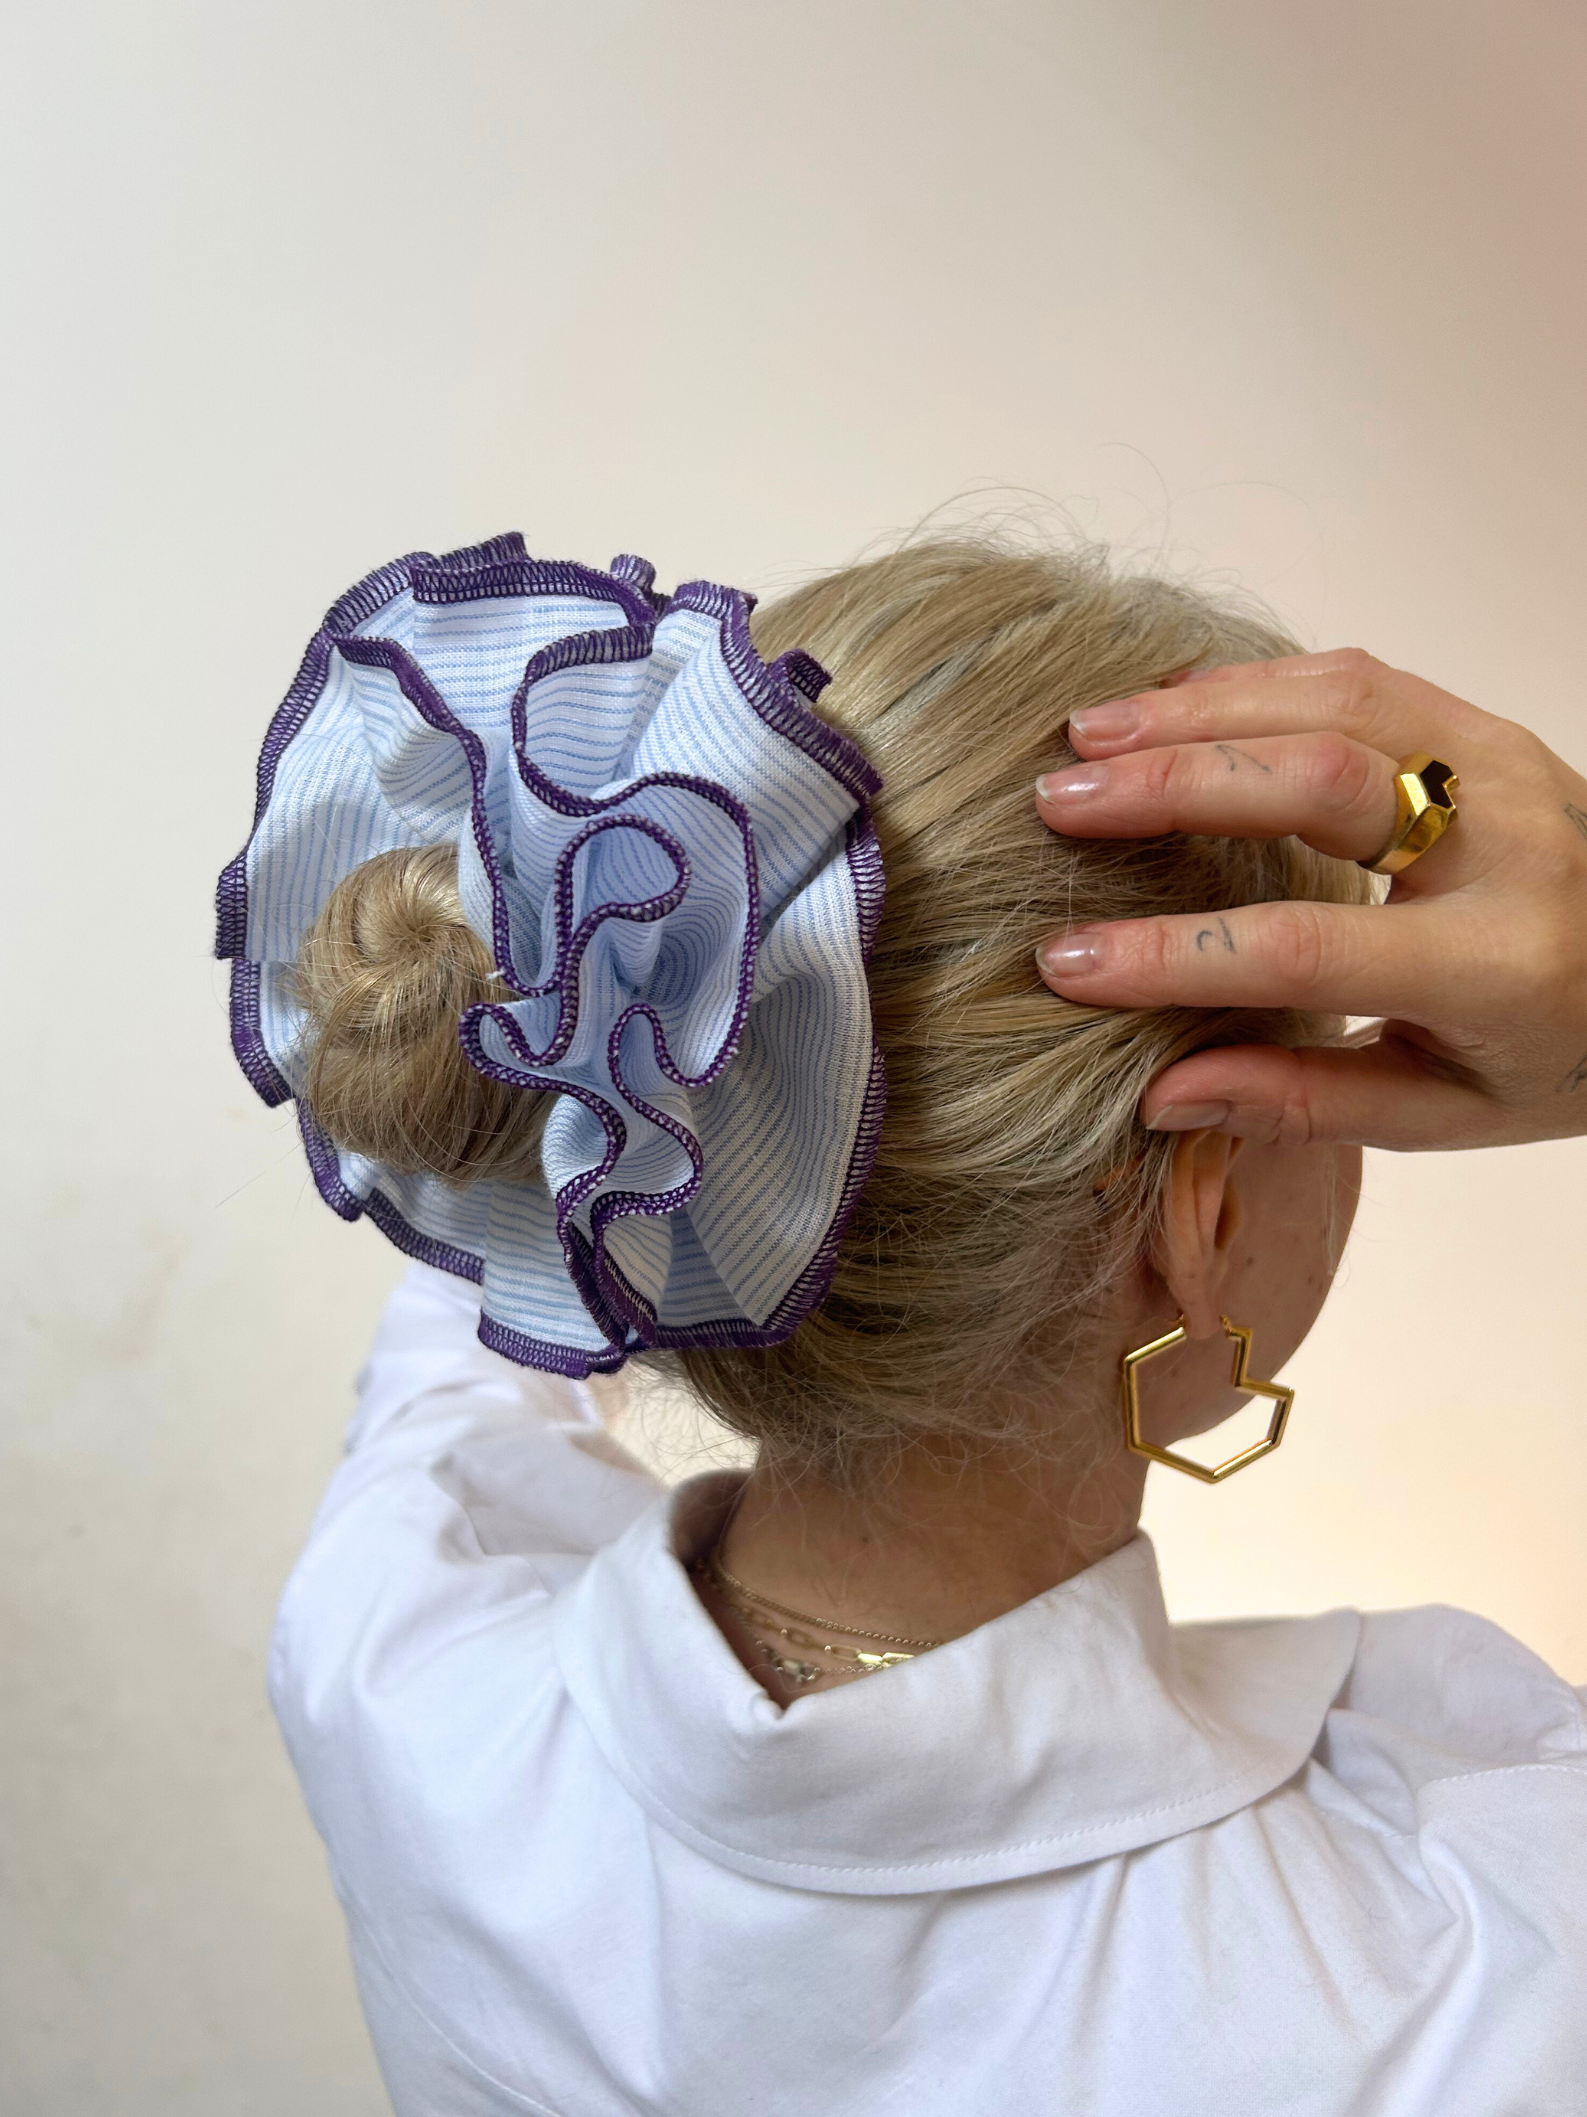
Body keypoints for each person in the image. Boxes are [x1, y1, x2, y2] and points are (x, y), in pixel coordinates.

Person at [219, 531, 1587, 2116]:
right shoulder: (1468, 1972)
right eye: (1352, 1051)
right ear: (1200, 1216)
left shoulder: (397, 1646)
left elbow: (502, 1207)